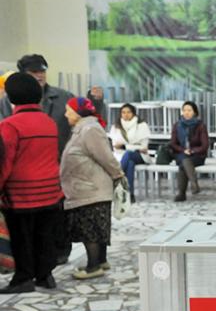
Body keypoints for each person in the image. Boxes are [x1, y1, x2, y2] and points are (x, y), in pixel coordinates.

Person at [0, 55, 76, 265]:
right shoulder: (7, 102)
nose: (39, 75)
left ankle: (58, 253)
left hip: (59, 166)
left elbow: (79, 125)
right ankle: (40, 266)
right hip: (22, 172)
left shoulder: (63, 97)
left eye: (42, 70)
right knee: (32, 222)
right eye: (34, 72)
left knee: (59, 215)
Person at [60, 97, 125, 280]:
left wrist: (118, 174)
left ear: (78, 112)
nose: (65, 114)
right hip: (87, 186)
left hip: (91, 187)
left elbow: (106, 157)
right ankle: (100, 261)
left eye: (68, 110)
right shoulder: (83, 129)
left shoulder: (89, 130)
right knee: (96, 227)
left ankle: (93, 266)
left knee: (91, 229)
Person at [110, 103, 151, 203]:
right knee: (130, 163)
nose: (126, 115)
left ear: (133, 113)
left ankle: (117, 177)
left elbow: (143, 148)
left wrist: (125, 146)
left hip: (140, 156)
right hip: (121, 156)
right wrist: (133, 146)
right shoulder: (116, 126)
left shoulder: (141, 125)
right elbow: (116, 146)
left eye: (128, 112)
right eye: (123, 112)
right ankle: (130, 194)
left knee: (128, 154)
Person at [169, 101, 209, 202]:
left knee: (184, 162)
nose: (186, 112)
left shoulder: (200, 126)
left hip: (197, 155)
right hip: (181, 153)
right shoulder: (177, 125)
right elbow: (173, 144)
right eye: (184, 110)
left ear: (194, 112)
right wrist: (183, 150)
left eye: (189, 110)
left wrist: (192, 151)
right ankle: (194, 184)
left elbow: (205, 145)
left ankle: (182, 194)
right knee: (183, 159)